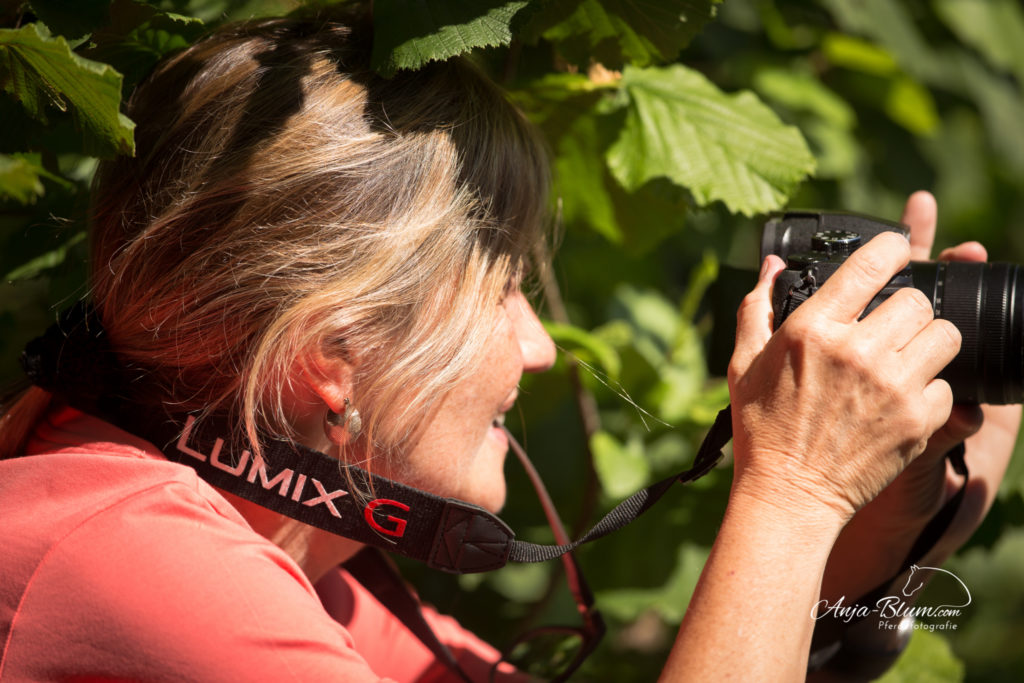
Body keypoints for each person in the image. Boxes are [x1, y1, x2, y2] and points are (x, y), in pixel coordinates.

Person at [0, 13, 1017, 682]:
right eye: (505, 290)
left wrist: (879, 541)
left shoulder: (299, 579)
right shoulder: (138, 561)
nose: (539, 346)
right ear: (333, 350)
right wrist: (792, 490)